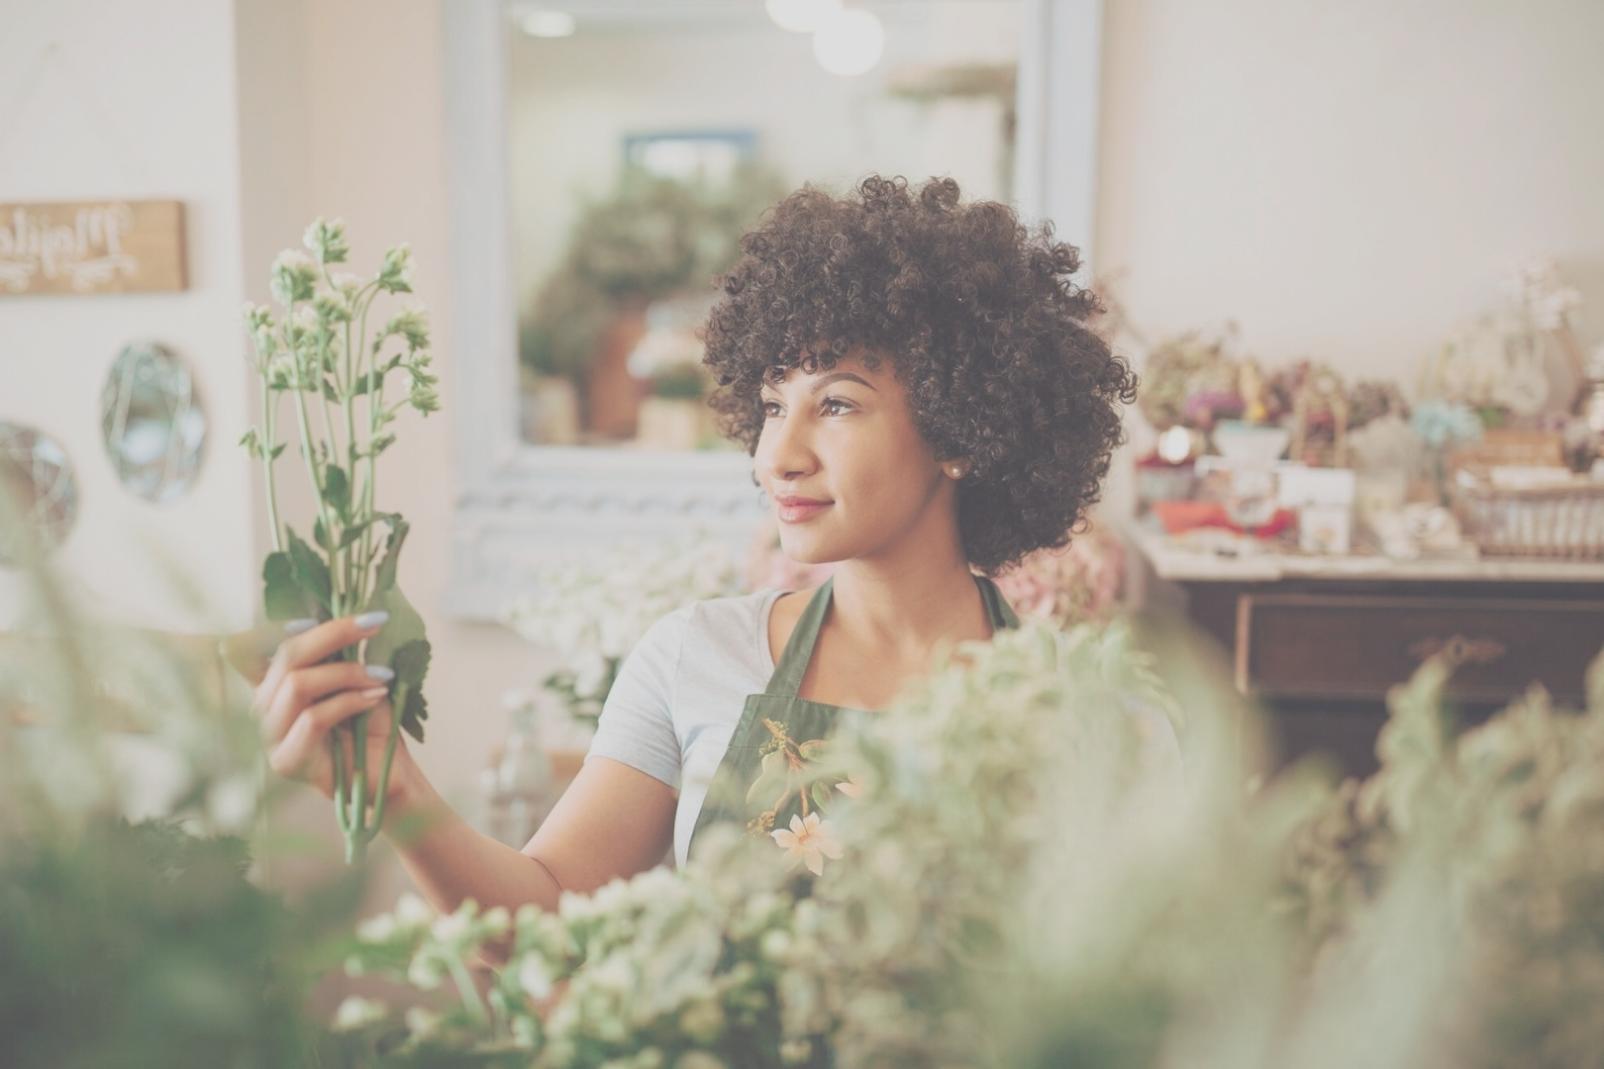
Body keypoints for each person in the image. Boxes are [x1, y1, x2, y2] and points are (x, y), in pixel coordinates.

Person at [251, 174, 1143, 935]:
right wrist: (396, 791)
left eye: (835, 404)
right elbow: (547, 915)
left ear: (961, 428)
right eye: (769, 402)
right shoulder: (692, 656)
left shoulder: (1084, 706)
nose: (776, 454)